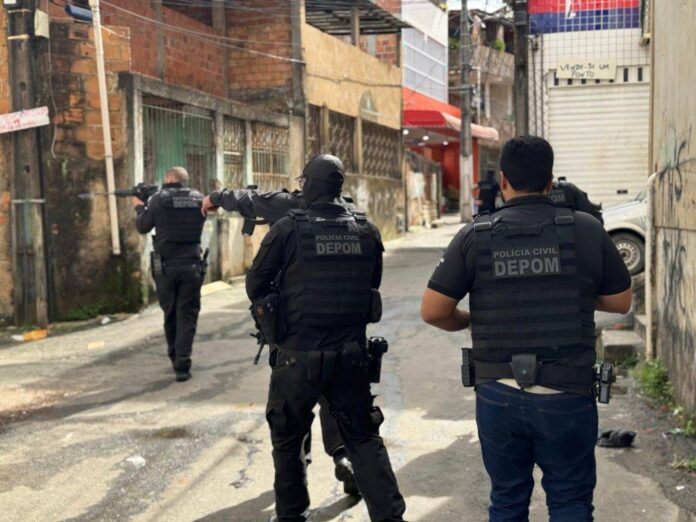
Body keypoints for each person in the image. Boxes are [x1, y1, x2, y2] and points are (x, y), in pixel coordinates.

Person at [420, 136, 632, 521]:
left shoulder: (475, 234)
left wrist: (471, 320)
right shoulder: (585, 229)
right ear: (550, 181)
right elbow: (620, 302)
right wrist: (575, 291)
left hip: (498, 394)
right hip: (567, 393)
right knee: (570, 501)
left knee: (507, 501)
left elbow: (433, 311)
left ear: (503, 181)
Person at [246, 154, 406, 522]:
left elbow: (256, 284)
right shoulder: (366, 230)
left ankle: (291, 516)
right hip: (350, 357)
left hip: (296, 358)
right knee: (363, 438)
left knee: (288, 439)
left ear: (309, 186)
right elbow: (371, 285)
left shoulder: (288, 228)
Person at [202, 183, 360, 496]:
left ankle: (298, 471)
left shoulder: (289, 205)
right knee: (335, 396)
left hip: (294, 326)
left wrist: (214, 198)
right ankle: (344, 456)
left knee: (293, 405)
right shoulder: (350, 212)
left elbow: (247, 200)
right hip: (342, 326)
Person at [134, 166, 206, 382]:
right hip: (192, 265)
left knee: (171, 312)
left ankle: (175, 356)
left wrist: (139, 206)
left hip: (166, 267)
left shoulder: (159, 199)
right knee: (187, 314)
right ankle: (182, 363)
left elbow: (143, 226)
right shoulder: (198, 198)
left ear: (168, 178)